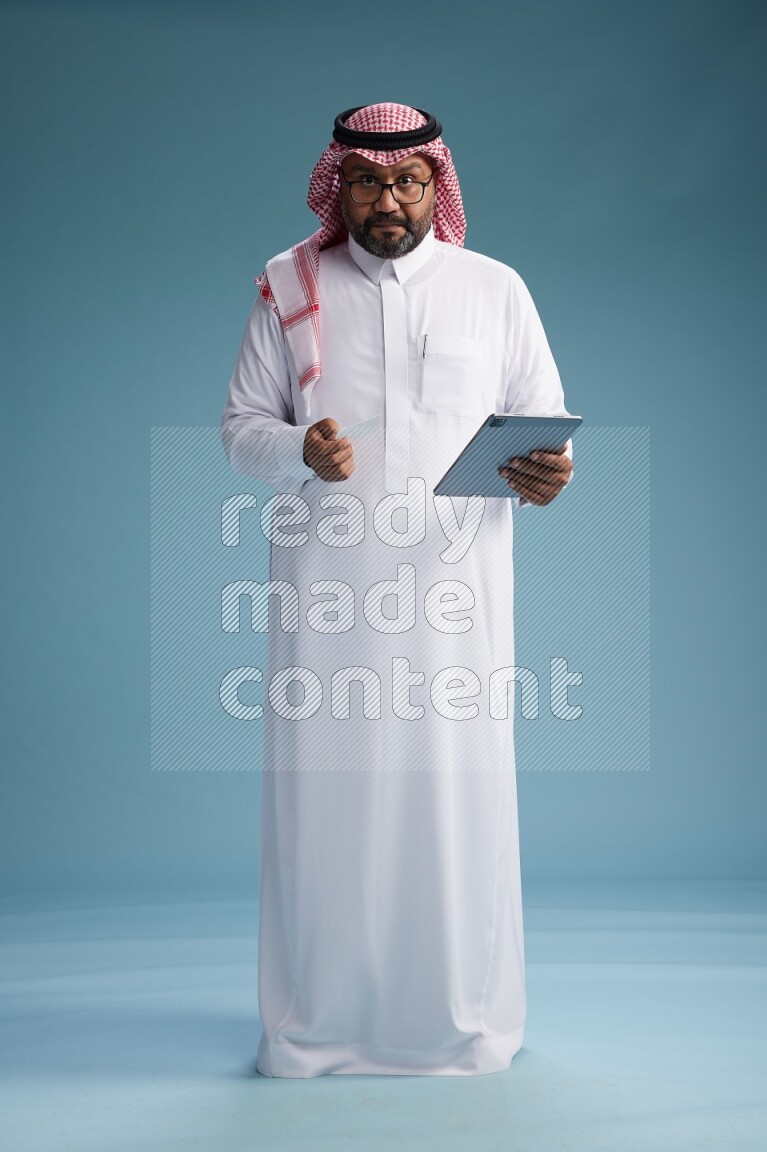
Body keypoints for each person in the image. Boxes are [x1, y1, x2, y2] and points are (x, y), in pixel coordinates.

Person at [219, 102, 574, 1078]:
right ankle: (316, 1025)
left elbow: (543, 423)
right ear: (339, 184)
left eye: (409, 181)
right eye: (369, 182)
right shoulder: (289, 285)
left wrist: (551, 471)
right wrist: (301, 447)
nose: (389, 201)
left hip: (457, 603)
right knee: (326, 809)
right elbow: (241, 429)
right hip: (328, 602)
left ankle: (460, 1023)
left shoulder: (494, 289)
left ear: (435, 184)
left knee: (455, 804)